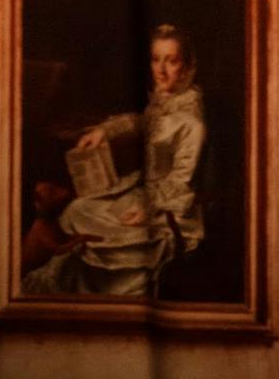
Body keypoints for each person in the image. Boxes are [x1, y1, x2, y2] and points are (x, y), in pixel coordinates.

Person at [22, 22, 206, 298]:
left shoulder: (192, 123)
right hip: (141, 192)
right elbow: (140, 121)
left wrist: (149, 208)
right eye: (156, 59)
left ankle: (93, 288)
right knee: (78, 209)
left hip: (170, 211)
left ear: (187, 67)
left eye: (171, 61)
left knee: (112, 235)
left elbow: (181, 183)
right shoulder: (163, 103)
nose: (161, 69)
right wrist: (104, 131)